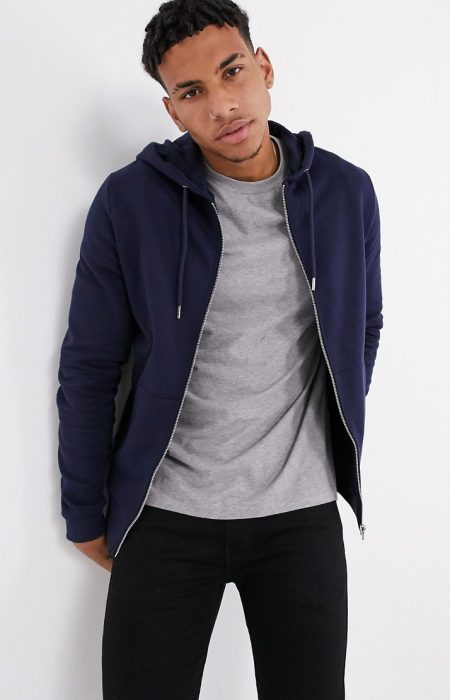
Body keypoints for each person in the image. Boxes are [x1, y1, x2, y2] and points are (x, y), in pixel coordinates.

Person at [55, 1, 383, 697]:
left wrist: (323, 435)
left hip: (300, 518)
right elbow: (90, 367)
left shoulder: (345, 193)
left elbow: (364, 324)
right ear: (172, 110)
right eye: (193, 92)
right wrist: (84, 510)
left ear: (263, 67)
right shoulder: (129, 203)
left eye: (232, 72)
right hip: (165, 515)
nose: (223, 106)